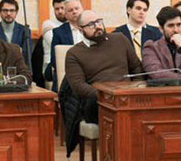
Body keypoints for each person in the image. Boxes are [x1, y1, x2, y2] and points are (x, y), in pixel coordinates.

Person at [60, 14, 143, 153]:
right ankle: (119, 159)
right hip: (98, 100)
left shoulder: (120, 39)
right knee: (121, 117)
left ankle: (140, 157)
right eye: (91, 24)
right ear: (81, 29)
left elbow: (136, 67)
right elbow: (78, 86)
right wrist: (106, 96)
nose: (97, 26)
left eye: (98, 21)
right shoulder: (74, 53)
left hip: (127, 95)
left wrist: (136, 88)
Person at [140, 6, 181, 79]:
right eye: (171, 26)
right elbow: (155, 72)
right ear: (161, 29)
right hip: (165, 86)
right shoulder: (151, 47)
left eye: (179, 25)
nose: (176, 30)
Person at [45, 0, 86, 89]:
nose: (74, 12)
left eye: (77, 8)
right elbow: (55, 60)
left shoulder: (91, 27)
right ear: (66, 15)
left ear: (82, 10)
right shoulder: (59, 32)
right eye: (70, 10)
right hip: (67, 73)